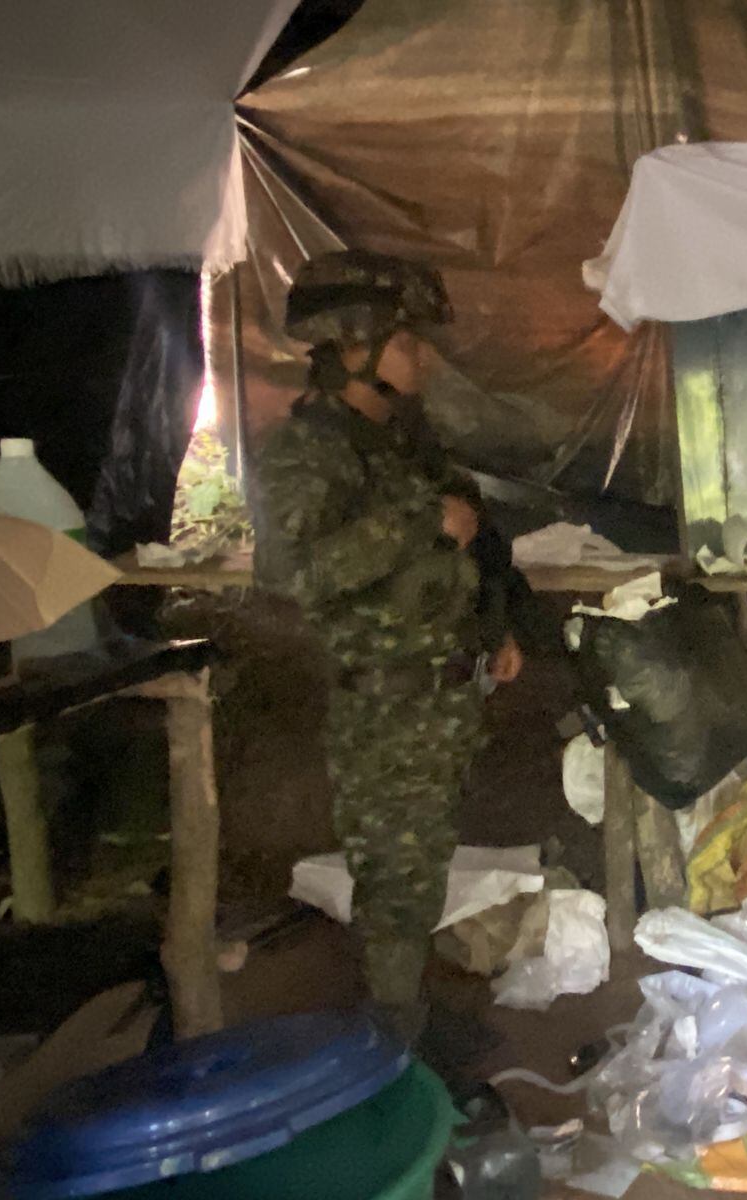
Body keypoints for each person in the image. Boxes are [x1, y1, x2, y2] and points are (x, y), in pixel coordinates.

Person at [253, 250, 534, 1033]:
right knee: (396, 891)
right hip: (387, 712)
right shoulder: (308, 451)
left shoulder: (400, 443)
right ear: (355, 350)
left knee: (417, 877)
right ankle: (392, 1048)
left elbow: (461, 552)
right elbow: (293, 572)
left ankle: (401, 1023)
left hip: (439, 699)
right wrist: (421, 521)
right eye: (406, 344)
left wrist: (495, 629)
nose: (422, 359)